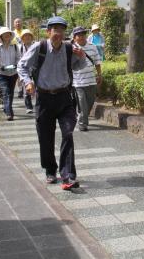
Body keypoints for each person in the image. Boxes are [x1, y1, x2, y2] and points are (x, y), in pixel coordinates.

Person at [18, 16, 86, 190]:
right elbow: (22, 65)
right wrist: (27, 82)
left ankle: (68, 176)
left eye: (61, 30)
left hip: (64, 98)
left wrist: (82, 56)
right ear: (48, 32)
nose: (58, 33)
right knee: (45, 137)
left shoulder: (69, 48)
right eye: (55, 30)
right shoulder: (39, 47)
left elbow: (78, 66)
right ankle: (50, 169)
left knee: (68, 134)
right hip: (44, 98)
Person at [71, 26, 102, 132]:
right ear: (74, 37)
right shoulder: (71, 48)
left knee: (89, 103)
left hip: (91, 81)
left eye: (83, 34)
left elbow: (97, 62)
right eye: (78, 35)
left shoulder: (92, 47)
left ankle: (81, 117)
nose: (81, 36)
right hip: (78, 82)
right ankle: (82, 124)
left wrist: (99, 74)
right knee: (82, 103)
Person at [0, 27, 20, 121]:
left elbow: (19, 59)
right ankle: (9, 112)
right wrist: (0, 66)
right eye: (5, 35)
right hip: (1, 73)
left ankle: (6, 108)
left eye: (8, 34)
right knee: (5, 92)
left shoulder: (16, 47)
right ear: (1, 36)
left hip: (13, 73)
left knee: (11, 93)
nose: (7, 36)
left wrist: (16, 65)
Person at [19, 29, 35, 114]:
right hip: (25, 71)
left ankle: (38, 104)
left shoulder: (35, 46)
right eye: (25, 36)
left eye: (29, 36)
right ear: (22, 38)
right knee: (26, 89)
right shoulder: (20, 47)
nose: (27, 37)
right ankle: (29, 107)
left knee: (37, 88)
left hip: (35, 70)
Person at [13, 17, 24, 98]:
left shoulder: (25, 32)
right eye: (16, 22)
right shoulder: (12, 34)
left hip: (25, 55)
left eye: (19, 22)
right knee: (18, 74)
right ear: (14, 24)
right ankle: (20, 89)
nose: (18, 24)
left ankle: (24, 88)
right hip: (16, 55)